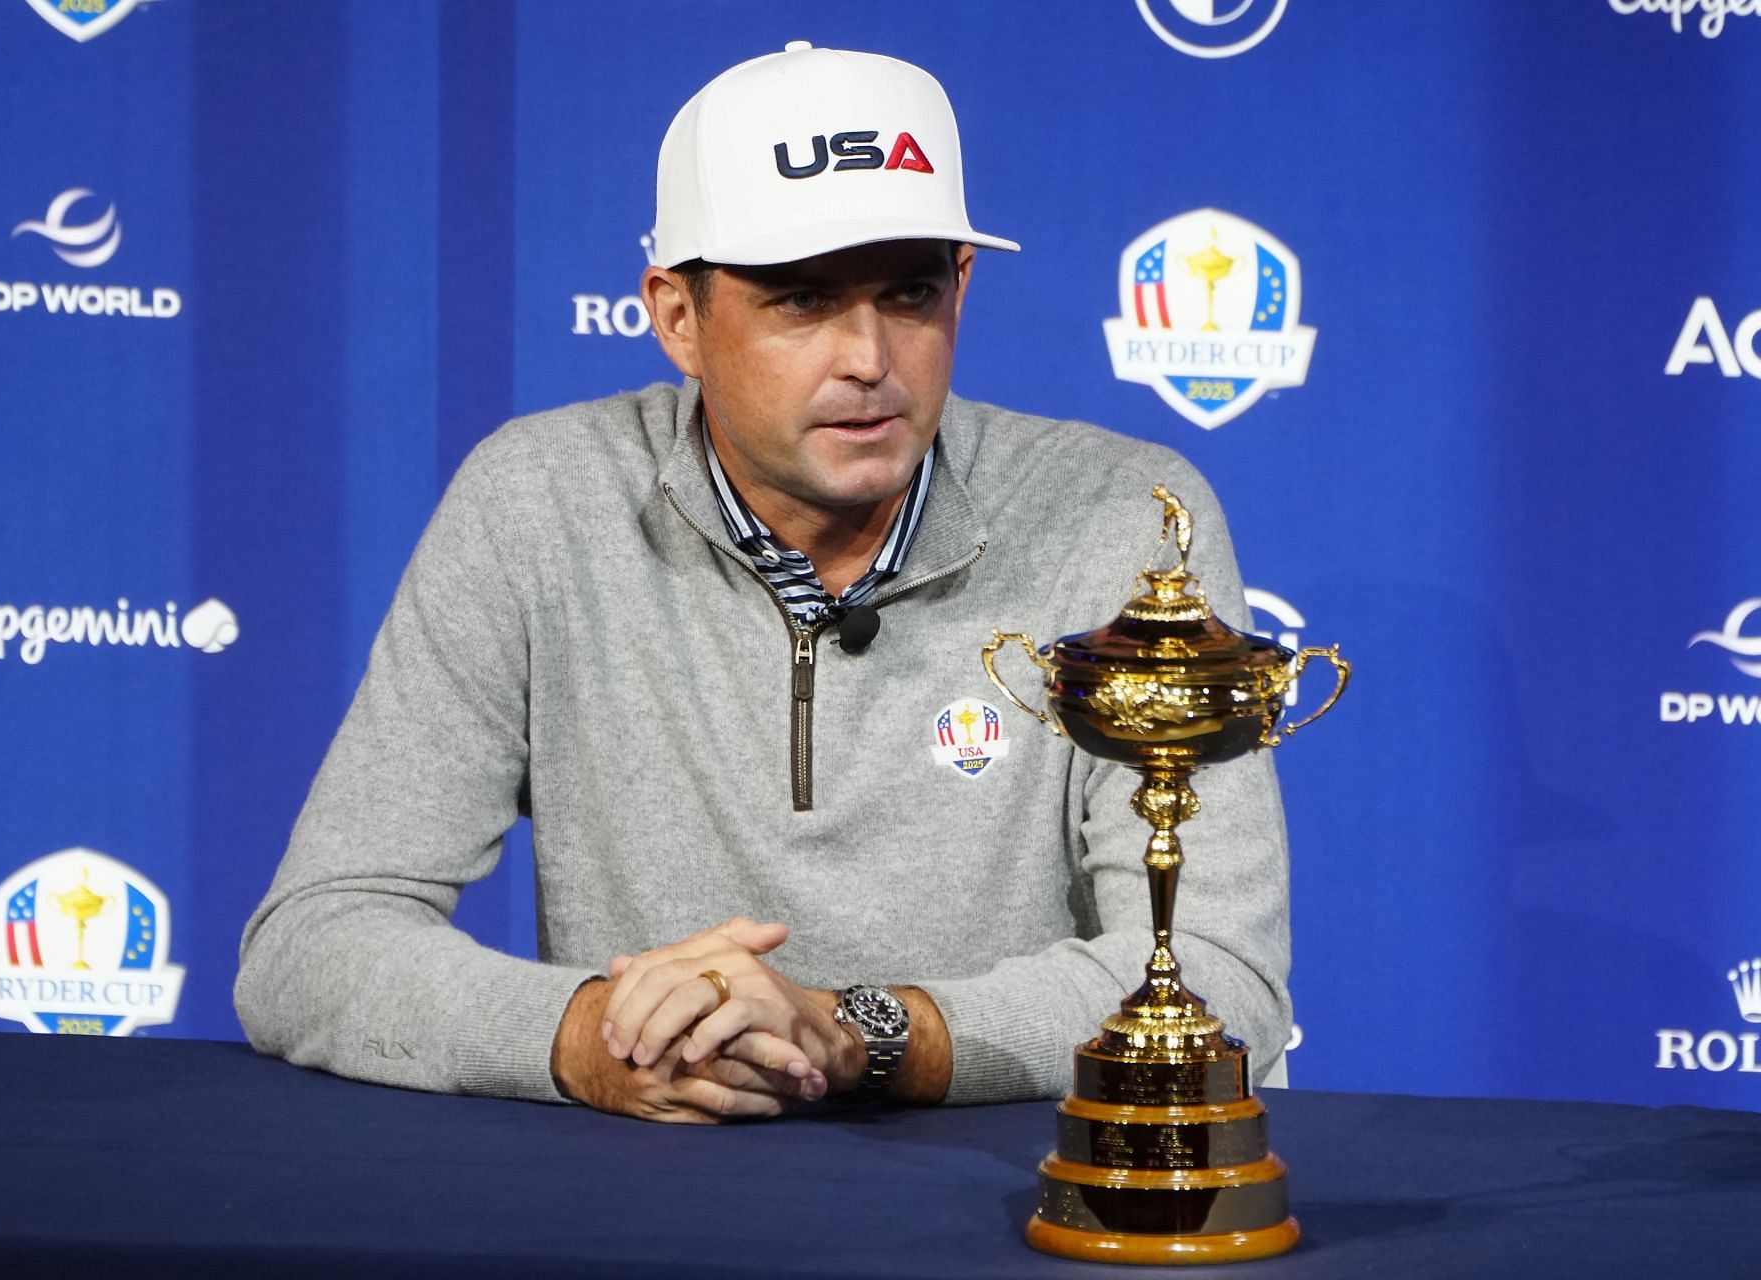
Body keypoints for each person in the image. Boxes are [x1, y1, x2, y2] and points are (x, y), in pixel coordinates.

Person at [234, 41, 1291, 1122]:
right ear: (677, 317)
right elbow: (314, 940)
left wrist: (860, 1033)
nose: (871, 357)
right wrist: (595, 1036)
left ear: (961, 289)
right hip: (653, 1212)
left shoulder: (1128, 518)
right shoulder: (538, 501)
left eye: (911, 292)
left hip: (1007, 1207)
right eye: (802, 301)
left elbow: (1216, 975)